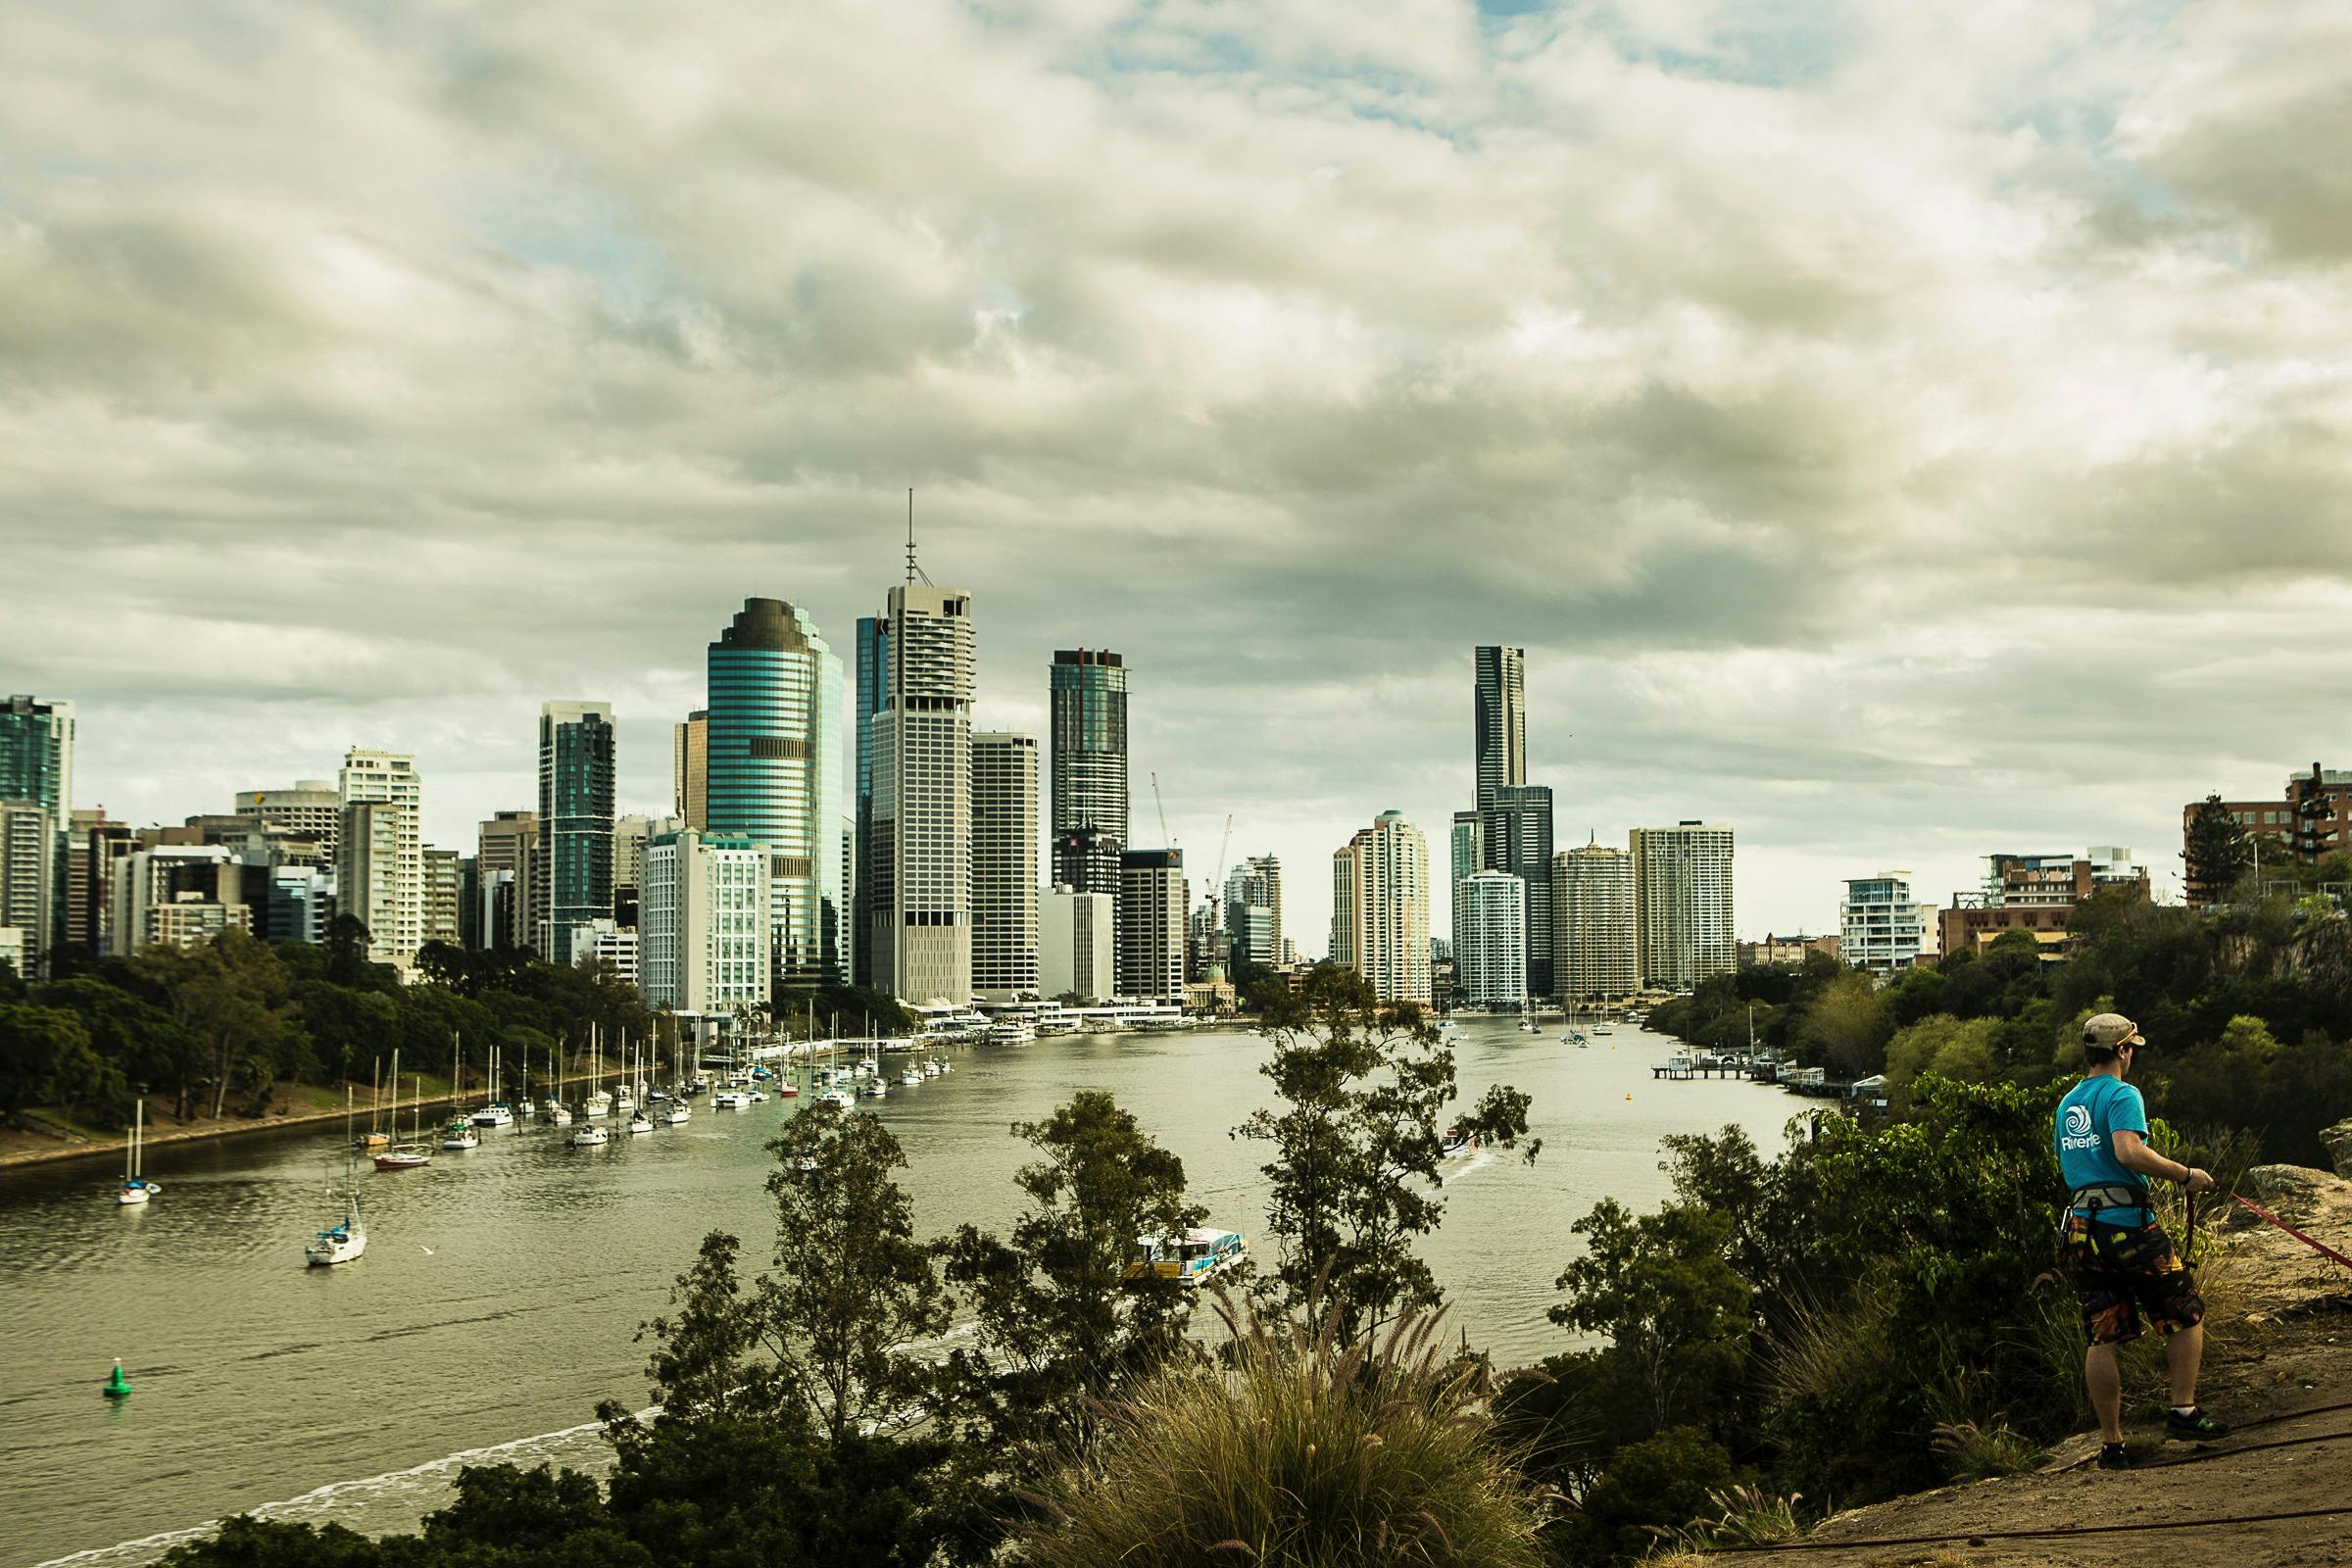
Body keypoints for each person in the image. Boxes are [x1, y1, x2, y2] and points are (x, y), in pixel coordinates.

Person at [2055, 1012, 2229, 1470]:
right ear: (2122, 1051)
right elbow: (2128, 1151)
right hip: (2127, 1224)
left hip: (2082, 1231)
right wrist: (2185, 1175)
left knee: (2102, 1334)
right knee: (2185, 1309)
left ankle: (2112, 1444)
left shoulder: (2068, 1103)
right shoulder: (2122, 1093)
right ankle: (2183, 1411)